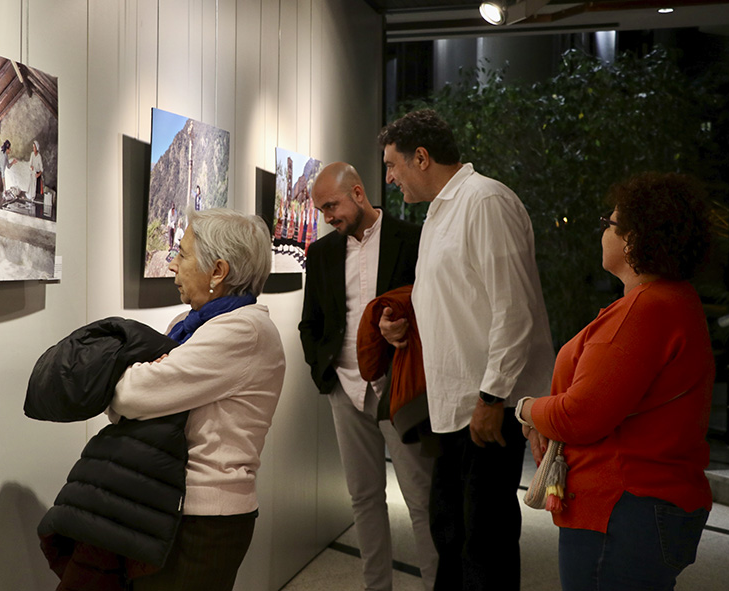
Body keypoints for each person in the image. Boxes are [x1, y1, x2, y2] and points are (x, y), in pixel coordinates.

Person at [378, 108, 554, 591]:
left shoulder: (485, 201)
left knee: (486, 541)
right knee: (451, 531)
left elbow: (513, 310)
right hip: (452, 406)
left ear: (421, 157)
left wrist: (491, 398)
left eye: (393, 166)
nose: (390, 178)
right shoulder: (439, 211)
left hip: (484, 406)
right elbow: (455, 301)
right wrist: (403, 328)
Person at [517, 172, 714, 591]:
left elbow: (580, 414)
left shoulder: (646, 311)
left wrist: (526, 409)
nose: (603, 232)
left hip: (622, 509)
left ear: (633, 239)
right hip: (644, 506)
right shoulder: (672, 300)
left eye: (608, 224)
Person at [110, 208, 287, 590]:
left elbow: (129, 395)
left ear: (218, 271)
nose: (173, 265)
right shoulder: (187, 325)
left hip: (206, 520)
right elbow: (131, 405)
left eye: (184, 254)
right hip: (169, 502)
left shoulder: (244, 331)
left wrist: (125, 379)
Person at [299, 162, 438, 591]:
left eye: (332, 206)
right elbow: (311, 323)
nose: (327, 217)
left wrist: (404, 330)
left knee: (421, 499)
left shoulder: (414, 240)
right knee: (363, 498)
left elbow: (436, 307)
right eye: (321, 210)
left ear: (358, 193)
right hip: (345, 389)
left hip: (401, 388)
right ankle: (375, 586)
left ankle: (438, 584)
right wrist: (324, 375)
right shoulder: (321, 253)